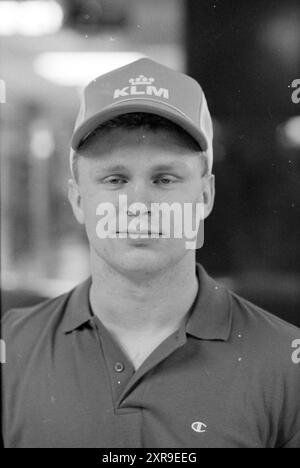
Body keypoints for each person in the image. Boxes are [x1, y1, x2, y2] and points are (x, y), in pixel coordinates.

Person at [2, 58, 300, 448]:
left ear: (205, 196)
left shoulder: (286, 364)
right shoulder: (13, 349)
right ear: (78, 199)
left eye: (164, 179)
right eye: (115, 179)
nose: (138, 203)